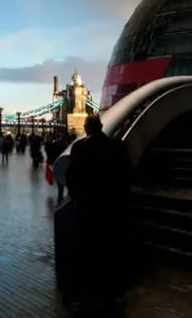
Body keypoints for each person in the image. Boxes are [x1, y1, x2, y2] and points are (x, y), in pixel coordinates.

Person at [66, 115, 132, 312]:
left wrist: (77, 197)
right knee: (111, 251)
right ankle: (114, 294)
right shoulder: (118, 147)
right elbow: (126, 173)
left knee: (85, 251)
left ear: (87, 128)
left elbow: (72, 177)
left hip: (87, 207)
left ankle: (82, 296)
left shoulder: (79, 148)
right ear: (101, 126)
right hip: (111, 208)